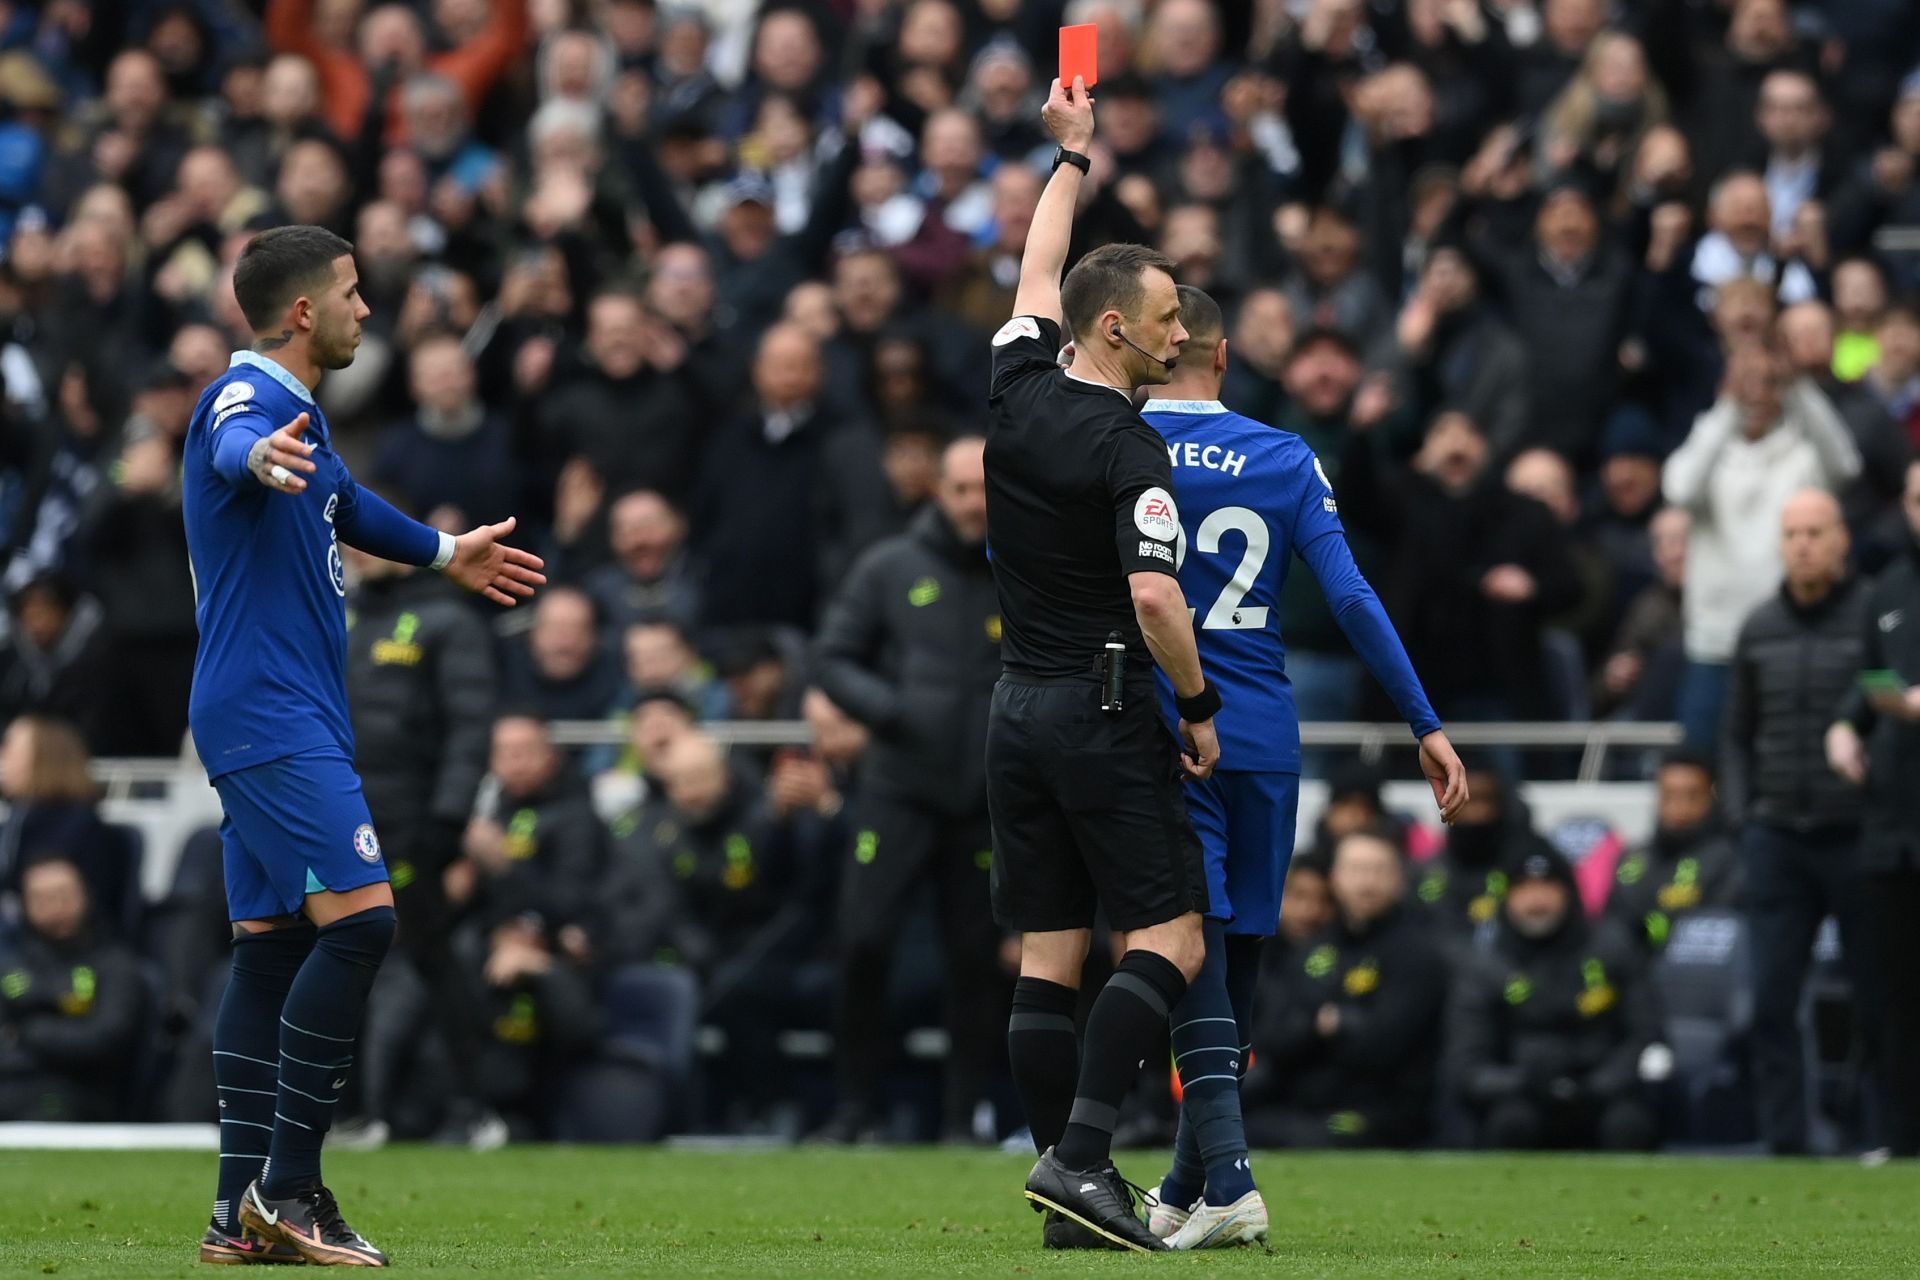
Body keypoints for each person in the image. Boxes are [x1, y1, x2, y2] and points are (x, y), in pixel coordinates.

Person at [183, 225, 544, 1267]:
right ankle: (288, 1185)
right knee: (365, 921)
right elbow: (230, 440)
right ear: (303, 312)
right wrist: (252, 457)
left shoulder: (302, 420)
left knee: (275, 944)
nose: (365, 309)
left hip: (271, 707)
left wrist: (442, 551)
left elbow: (342, 498)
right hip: (269, 711)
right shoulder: (249, 401)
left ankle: (232, 1215)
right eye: (352, 292)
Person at [1137, 284, 1464, 1248]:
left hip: (1170, 729)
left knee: (1183, 942)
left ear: (1159, 348)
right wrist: (1424, 721)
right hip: (1268, 737)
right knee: (1237, 950)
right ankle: (1185, 1183)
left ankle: (1228, 1177)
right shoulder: (1284, 455)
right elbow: (1352, 595)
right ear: (1226, 358)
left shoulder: (1120, 448)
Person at [983, 75, 1210, 1252]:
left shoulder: (1016, 387)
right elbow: (1158, 595)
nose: (1186, 334)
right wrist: (1200, 704)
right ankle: (1080, 1159)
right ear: (1115, 329)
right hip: (1104, 702)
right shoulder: (1131, 446)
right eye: (1171, 317)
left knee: (1050, 948)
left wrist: (1072, 159)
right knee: (1170, 937)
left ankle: (1066, 1196)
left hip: (1014, 707)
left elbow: (1038, 277)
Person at [809, 436, 1009, 1143]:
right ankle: (856, 1108)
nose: (973, 504)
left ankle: (961, 1119)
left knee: (975, 962)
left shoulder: (1025, 568)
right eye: (961, 489)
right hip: (898, 786)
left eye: (984, 489)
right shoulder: (889, 566)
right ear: (938, 493)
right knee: (863, 943)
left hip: (985, 801)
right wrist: (890, 711)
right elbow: (831, 657)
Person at [1723, 489, 1872, 1155]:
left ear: (1842, 538)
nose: (1804, 544)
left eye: (1816, 531)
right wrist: (1743, 813)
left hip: (1859, 833)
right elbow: (1735, 733)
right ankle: (1785, 1144)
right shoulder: (1757, 627)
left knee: (1881, 999)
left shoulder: (1874, 616)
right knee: (1771, 1002)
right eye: (1792, 534)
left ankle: (1875, 1138)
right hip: (1777, 832)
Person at [341, 540, 499, 1148]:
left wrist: (449, 818)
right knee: (334, 958)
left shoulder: (450, 620)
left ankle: (473, 1105)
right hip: (340, 820)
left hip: (412, 826)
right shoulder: (338, 613)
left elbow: (470, 726)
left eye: (372, 539)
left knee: (431, 958)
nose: (361, 554)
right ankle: (350, 1112)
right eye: (352, 543)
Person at [1662, 344, 1861, 747]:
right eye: (1744, 383)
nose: (1756, 393)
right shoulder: (1710, 448)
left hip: (1787, 635)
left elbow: (1846, 465)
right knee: (1700, 766)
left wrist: (1800, 387)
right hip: (1713, 641)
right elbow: (1679, 489)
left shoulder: (1802, 456)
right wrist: (1727, 407)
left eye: (1768, 383)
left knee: (1781, 758)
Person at [1242, 827, 1450, 1149]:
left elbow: (1383, 1046)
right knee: (1223, 1125)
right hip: (1302, 1102)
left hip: (1381, 1111)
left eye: (1378, 871)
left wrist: (1326, 1024)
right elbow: (1271, 1036)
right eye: (1356, 870)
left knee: (1313, 1138)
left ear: (1399, 878)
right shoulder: (1314, 947)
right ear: (1335, 878)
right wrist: (1323, 1024)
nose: (1367, 883)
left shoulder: (1418, 954)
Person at [1447, 847, 1663, 1151]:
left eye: (1547, 887)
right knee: (1510, 1124)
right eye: (1524, 889)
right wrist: (1525, 1082)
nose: (1536, 901)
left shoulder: (1612, 949)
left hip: (1603, 1093)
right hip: (1521, 1094)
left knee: (1630, 1124)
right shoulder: (1487, 965)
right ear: (1506, 897)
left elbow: (1645, 1035)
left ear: (1569, 893)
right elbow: (1467, 1065)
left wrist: (1596, 1086)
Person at [1828, 458, 1920, 1159]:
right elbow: (1868, 681)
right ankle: (1897, 1136)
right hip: (1892, 820)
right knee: (1890, 990)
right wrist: (1843, 727)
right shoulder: (1886, 589)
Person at [0, 854, 146, 1121]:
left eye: (63, 894)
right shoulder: (10, 965)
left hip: (74, 1094)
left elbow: (105, 1040)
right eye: (41, 898)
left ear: (85, 895)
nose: (54, 906)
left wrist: (27, 1033)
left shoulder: (116, 964)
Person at [1601, 750, 1743, 953]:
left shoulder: (1730, 861)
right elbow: (1612, 928)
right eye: (1669, 795)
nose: (1679, 807)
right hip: (1635, 974)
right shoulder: (1632, 860)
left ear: (1712, 797)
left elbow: (1722, 931)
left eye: (1692, 796)